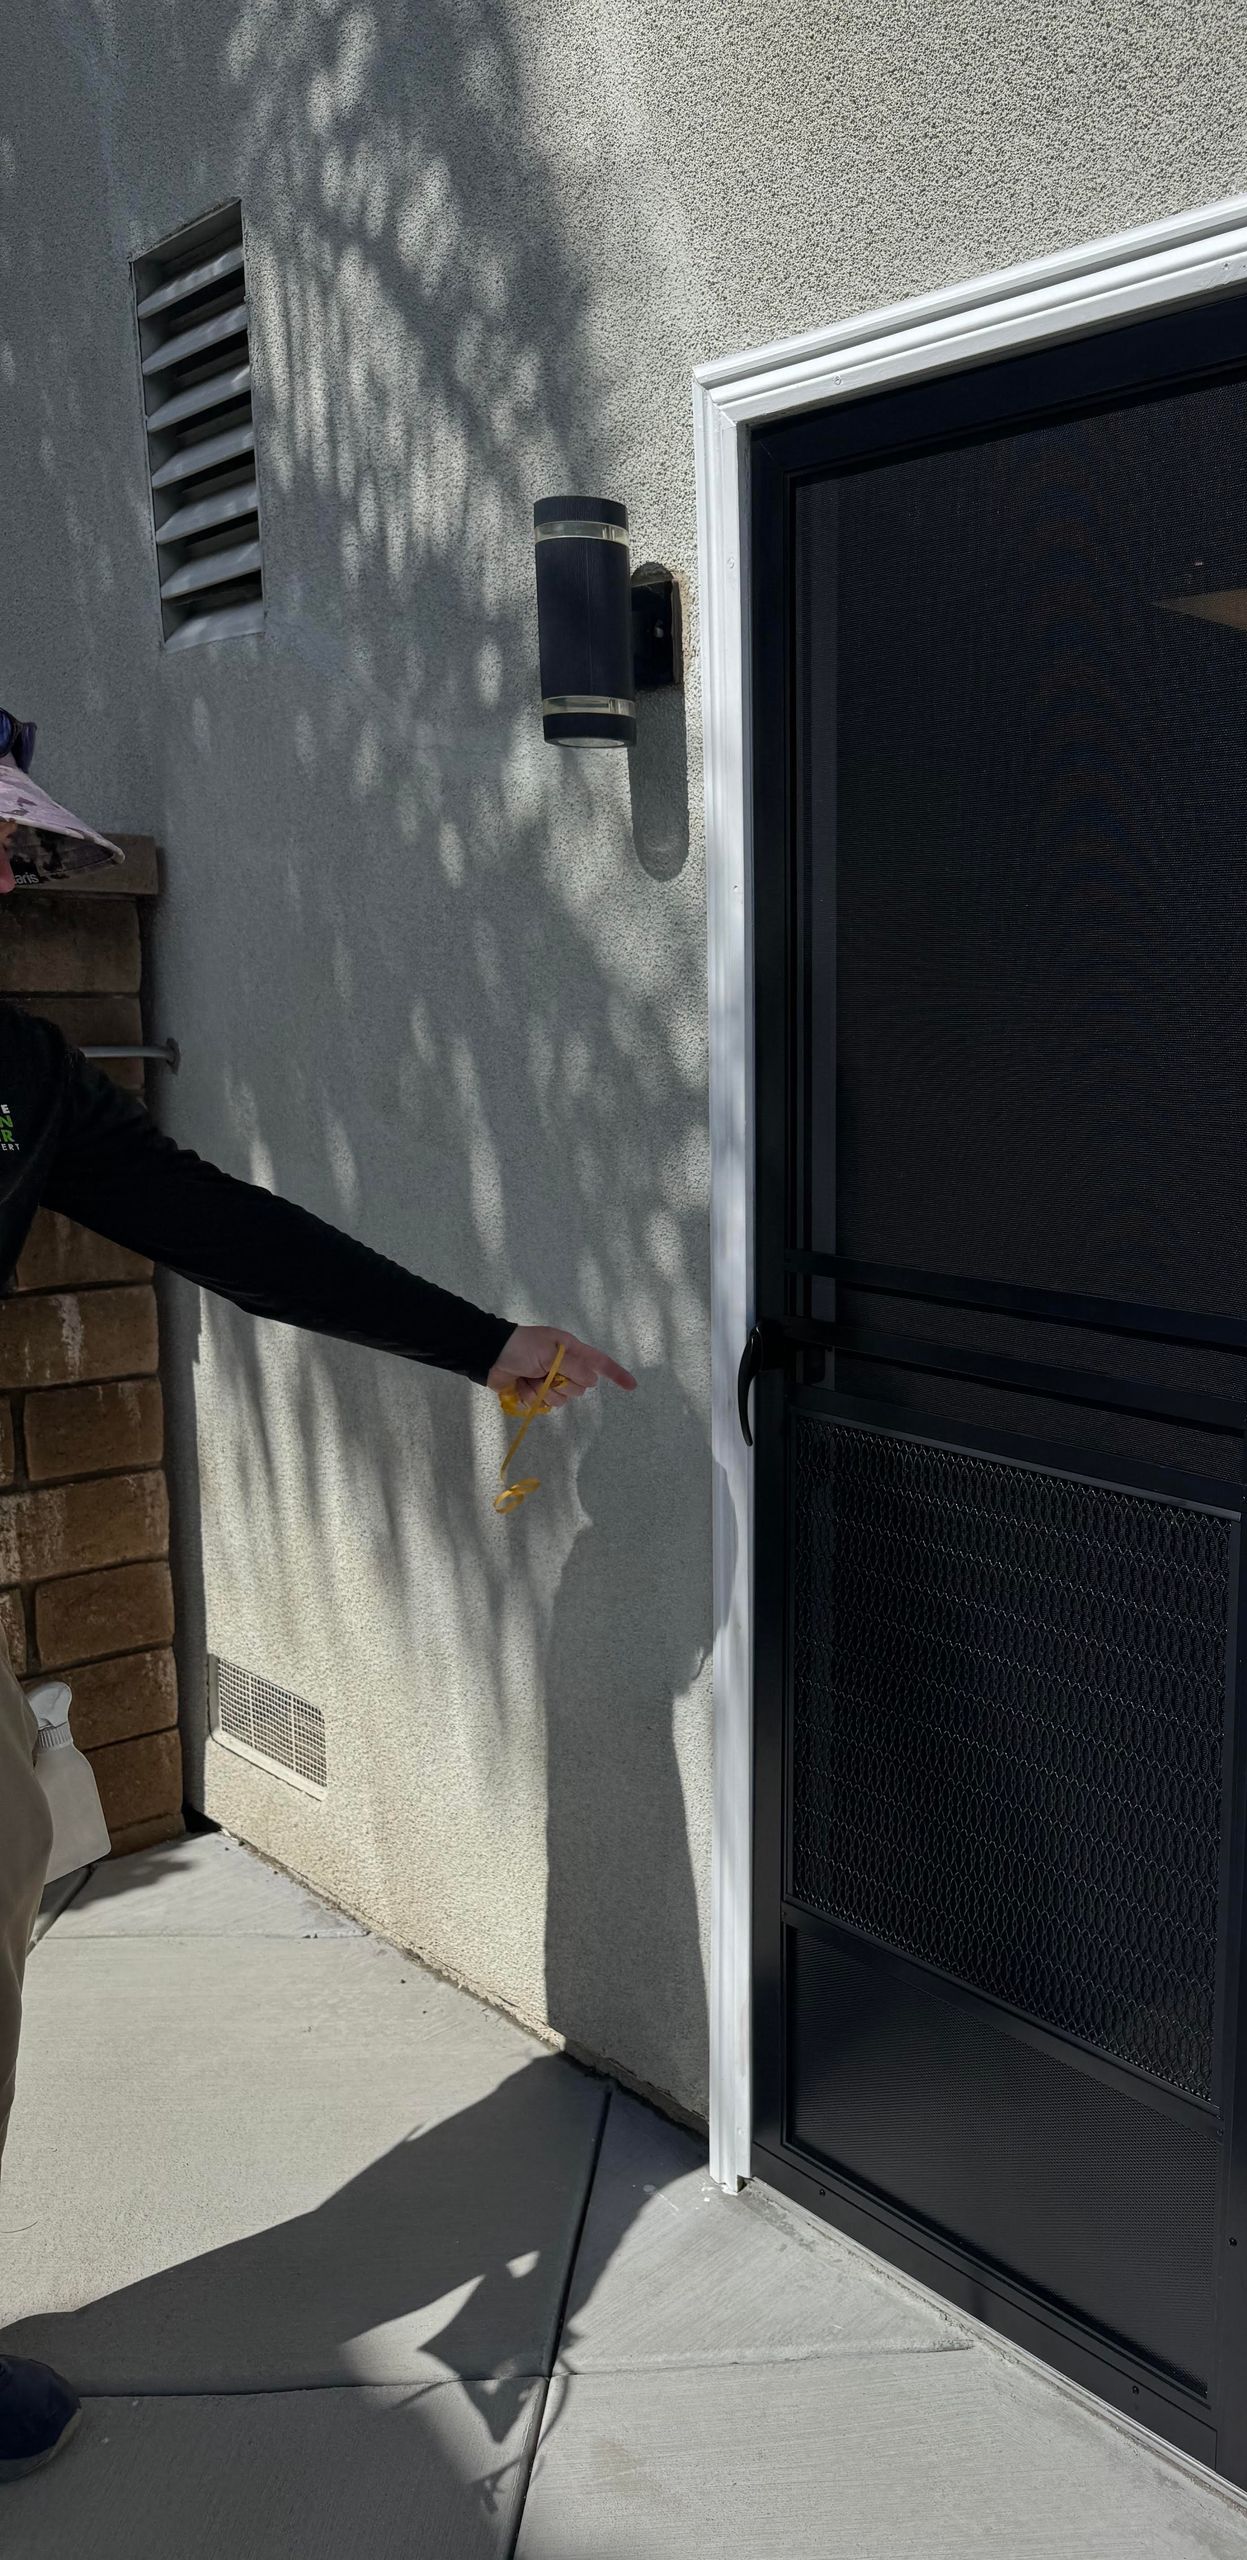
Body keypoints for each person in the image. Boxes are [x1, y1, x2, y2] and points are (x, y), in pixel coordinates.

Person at [0, 713, 634, 2481]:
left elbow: (232, 1235)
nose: (4, 873)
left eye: (9, 847)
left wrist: (486, 1345)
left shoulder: (23, 1082)